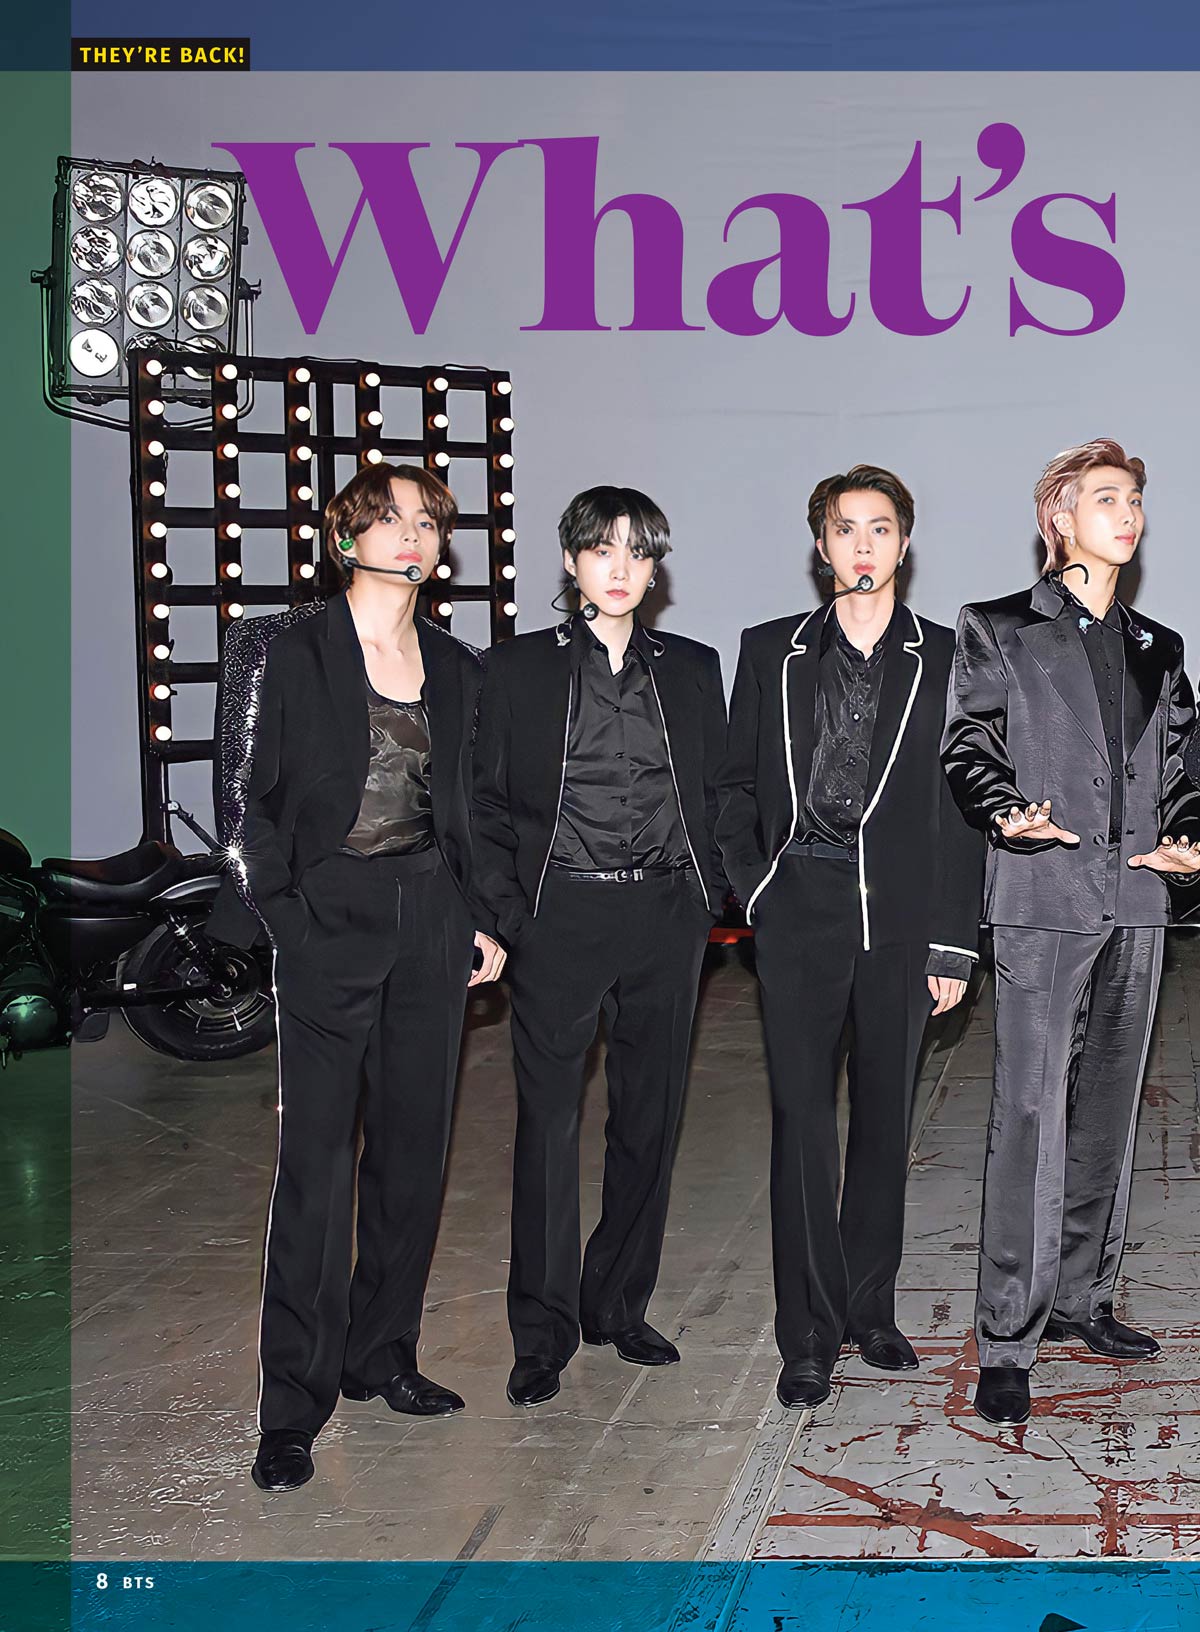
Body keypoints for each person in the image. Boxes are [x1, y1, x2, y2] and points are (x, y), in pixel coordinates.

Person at [207, 463, 506, 1491]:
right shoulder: (280, 649)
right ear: (346, 539)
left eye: (426, 520)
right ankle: (291, 1410)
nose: (410, 534)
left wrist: (480, 916)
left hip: (431, 916)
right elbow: (242, 805)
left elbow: (474, 806)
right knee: (316, 1169)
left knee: (414, 1157)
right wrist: (288, 924)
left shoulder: (459, 664)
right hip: (327, 914)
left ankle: (382, 1356)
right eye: (387, 519)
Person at [942, 438, 1200, 1426]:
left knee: (1108, 1112)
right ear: (1060, 516)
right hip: (1042, 895)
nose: (1127, 515)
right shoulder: (999, 627)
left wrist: (1190, 838)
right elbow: (969, 743)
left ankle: (1082, 1300)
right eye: (1105, 498)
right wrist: (1006, 809)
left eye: (1133, 499)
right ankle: (1008, 1334)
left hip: (1136, 897)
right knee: (1029, 1113)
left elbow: (1182, 769)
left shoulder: (1159, 645)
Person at [717, 465, 983, 1411]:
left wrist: (954, 942)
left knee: (882, 1121)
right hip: (799, 910)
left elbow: (963, 808)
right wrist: (759, 892)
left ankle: (870, 1309)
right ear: (820, 544)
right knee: (801, 1124)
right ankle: (807, 1335)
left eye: (879, 528)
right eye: (844, 528)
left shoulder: (949, 656)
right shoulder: (769, 650)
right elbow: (732, 787)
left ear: (904, 543)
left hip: (903, 921)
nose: (862, 544)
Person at [471, 485, 727, 1407]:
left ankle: (618, 1304)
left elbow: (721, 790)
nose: (620, 568)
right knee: (548, 1128)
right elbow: (483, 803)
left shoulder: (693, 668)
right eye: (603, 549)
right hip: (561, 917)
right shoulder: (515, 670)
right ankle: (541, 1335)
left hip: (666, 915)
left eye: (638, 552)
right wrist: (509, 916)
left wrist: (710, 897)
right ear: (572, 561)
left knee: (648, 1120)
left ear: (655, 569)